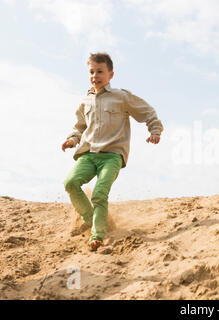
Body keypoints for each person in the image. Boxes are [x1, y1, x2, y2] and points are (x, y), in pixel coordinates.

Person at [62, 52, 163, 251]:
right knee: (70, 183)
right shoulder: (85, 101)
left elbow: (148, 111)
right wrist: (72, 139)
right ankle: (91, 219)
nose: (95, 76)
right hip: (88, 153)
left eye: (100, 71)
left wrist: (155, 130)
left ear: (111, 74)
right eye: (91, 71)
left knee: (100, 193)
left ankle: (97, 235)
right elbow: (80, 127)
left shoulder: (121, 96)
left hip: (112, 155)